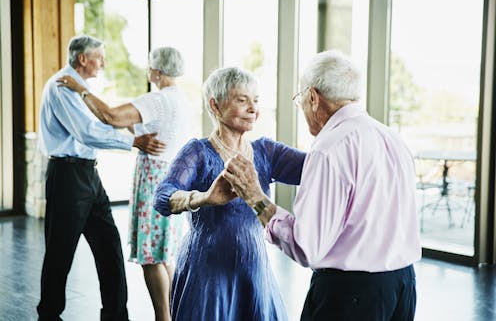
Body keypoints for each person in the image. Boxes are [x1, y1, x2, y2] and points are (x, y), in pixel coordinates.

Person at [222, 50, 422, 321]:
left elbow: (307, 248)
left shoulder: (330, 149)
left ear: (313, 97)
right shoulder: (392, 138)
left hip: (351, 296)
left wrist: (256, 197)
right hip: (403, 286)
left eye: (300, 100)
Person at [152, 66, 306, 321]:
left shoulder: (266, 151)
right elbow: (162, 196)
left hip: (253, 270)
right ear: (215, 105)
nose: (253, 109)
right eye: (242, 100)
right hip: (207, 274)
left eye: (255, 101)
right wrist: (203, 198)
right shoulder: (197, 152)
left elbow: (315, 167)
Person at [57, 46, 191, 321]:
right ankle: (176, 315)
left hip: (154, 178)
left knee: (151, 256)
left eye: (150, 66)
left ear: (157, 71)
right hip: (173, 176)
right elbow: (131, 123)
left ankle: (163, 318)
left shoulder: (158, 99)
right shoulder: (180, 98)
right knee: (164, 253)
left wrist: (80, 89)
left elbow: (112, 117)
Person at [37, 35, 166, 321]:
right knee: (60, 252)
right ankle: (48, 315)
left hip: (87, 175)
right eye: (99, 57)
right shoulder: (62, 86)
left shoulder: (80, 88)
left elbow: (101, 120)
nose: (104, 63)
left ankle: (116, 315)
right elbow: (87, 132)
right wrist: (134, 142)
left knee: (109, 246)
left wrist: (134, 128)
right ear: (83, 59)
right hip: (67, 176)